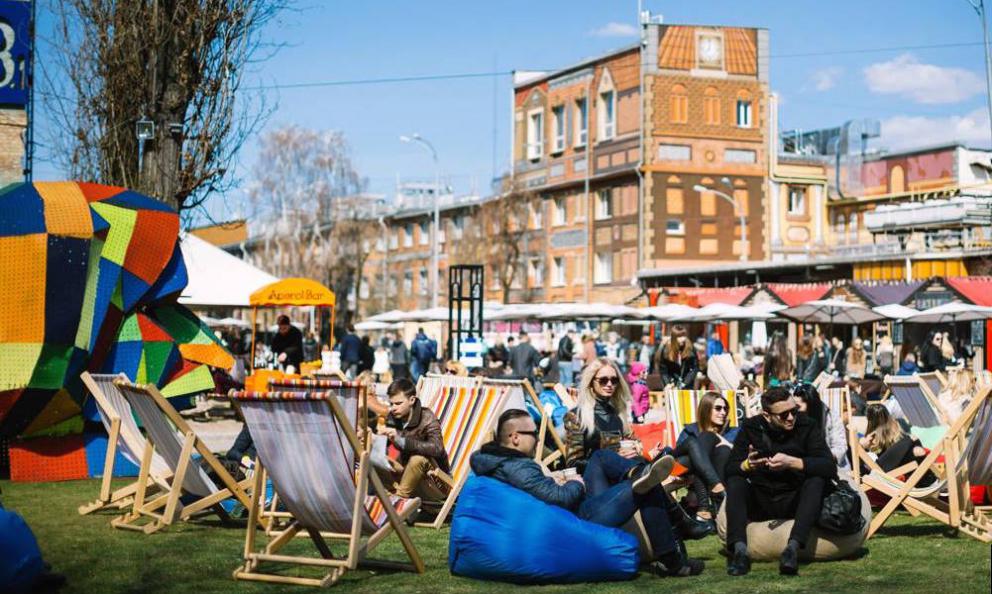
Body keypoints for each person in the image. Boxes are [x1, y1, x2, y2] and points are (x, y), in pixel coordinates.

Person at [470, 409, 705, 577]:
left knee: (600, 458)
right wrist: (574, 483)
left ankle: (639, 472)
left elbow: (538, 492)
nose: (538, 438)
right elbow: (559, 499)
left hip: (571, 514)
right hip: (577, 521)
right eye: (534, 434)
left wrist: (553, 478)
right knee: (647, 487)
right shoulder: (518, 467)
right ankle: (673, 560)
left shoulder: (499, 462)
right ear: (515, 437)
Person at [564, 358, 712, 540]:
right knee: (646, 481)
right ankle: (681, 521)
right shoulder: (576, 416)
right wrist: (615, 456)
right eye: (603, 380)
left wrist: (639, 450)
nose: (609, 384)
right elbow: (573, 461)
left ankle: (675, 555)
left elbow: (633, 444)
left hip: (625, 475)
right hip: (598, 482)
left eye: (614, 380)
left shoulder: (617, 413)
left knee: (658, 471)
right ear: (591, 383)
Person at [724, 387, 837, 577]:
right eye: (784, 414)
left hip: (795, 499)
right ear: (767, 416)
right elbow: (729, 469)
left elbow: (829, 467)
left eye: (794, 410)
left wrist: (792, 462)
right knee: (736, 481)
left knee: (816, 479)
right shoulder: (751, 426)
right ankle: (740, 552)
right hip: (762, 499)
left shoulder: (807, 425)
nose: (791, 417)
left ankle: (792, 549)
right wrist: (747, 465)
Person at [659, 392, 737, 525]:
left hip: (709, 471)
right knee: (694, 442)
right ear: (706, 409)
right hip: (680, 468)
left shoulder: (733, 432)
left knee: (720, 449)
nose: (723, 412)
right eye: (718, 408)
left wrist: (721, 439)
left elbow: (736, 454)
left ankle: (705, 510)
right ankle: (717, 491)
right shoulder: (690, 430)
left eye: (726, 409)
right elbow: (680, 456)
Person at [373, 379, 450, 504]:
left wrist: (402, 441)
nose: (393, 408)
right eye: (391, 404)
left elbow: (437, 448)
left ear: (412, 400)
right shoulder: (393, 417)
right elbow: (382, 447)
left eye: (398, 403)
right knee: (374, 457)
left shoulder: (427, 418)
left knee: (417, 459)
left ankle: (397, 501)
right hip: (406, 476)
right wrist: (374, 438)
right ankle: (389, 496)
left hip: (435, 482)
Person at [859, 404, 930, 478]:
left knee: (915, 447)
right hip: (885, 469)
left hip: (893, 466)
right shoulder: (872, 437)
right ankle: (928, 479)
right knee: (913, 444)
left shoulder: (872, 436)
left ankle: (928, 479)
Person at [792, 383, 850, 471]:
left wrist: (821, 458)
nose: (794, 410)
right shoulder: (793, 416)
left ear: (811, 406)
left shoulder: (831, 417)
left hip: (829, 464)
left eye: (798, 406)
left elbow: (840, 447)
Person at [654, 325, 699, 389]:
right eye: (679, 337)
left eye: (684, 336)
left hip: (686, 384)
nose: (683, 339)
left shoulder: (690, 348)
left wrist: (684, 383)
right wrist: (667, 383)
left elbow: (694, 368)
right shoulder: (666, 350)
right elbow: (663, 371)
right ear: (674, 338)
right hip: (672, 384)